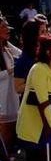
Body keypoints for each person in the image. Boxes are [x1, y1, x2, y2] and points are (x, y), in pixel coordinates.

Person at [0, 17, 21, 152]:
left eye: (7, 26)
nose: (8, 29)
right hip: (1, 97)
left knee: (10, 131)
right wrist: (12, 70)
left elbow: (21, 54)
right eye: (3, 27)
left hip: (11, 95)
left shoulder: (7, 45)